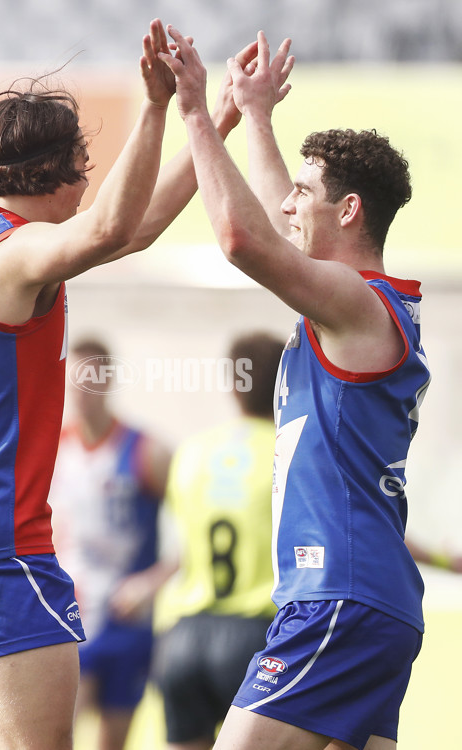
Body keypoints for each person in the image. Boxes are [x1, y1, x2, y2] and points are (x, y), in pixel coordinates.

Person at [0, 20, 180, 750]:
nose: (89, 177)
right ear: (57, 172)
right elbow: (113, 229)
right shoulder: (19, 255)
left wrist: (216, 124)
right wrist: (155, 107)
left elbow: (129, 228)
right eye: (84, 162)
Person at [160, 27, 431, 750]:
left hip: (337, 591)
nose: (288, 206)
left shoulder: (355, 303)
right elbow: (280, 220)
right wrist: (256, 116)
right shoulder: (359, 301)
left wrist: (195, 112)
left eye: (306, 196)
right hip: (367, 597)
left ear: (347, 212)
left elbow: (248, 241)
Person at [154, 332, 284, 750]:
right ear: (287, 380)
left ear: (233, 384)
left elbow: (183, 545)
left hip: (183, 638)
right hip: (256, 636)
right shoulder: (289, 453)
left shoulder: (192, 452)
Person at [48, 337, 174, 750]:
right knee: (55, 733)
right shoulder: (52, 449)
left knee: (112, 742)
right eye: (73, 380)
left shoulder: (146, 450)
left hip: (127, 614)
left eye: (90, 379)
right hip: (72, 611)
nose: (80, 390)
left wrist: (152, 582)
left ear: (107, 380)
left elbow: (193, 529)